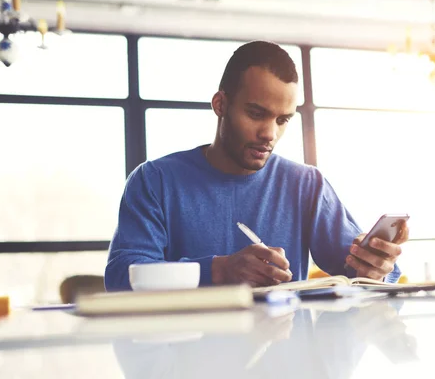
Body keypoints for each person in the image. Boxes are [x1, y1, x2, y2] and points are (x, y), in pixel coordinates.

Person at [105, 40, 408, 291]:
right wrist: (220, 270)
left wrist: (376, 267)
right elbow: (122, 277)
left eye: (282, 119)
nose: (269, 133)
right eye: (256, 113)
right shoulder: (155, 180)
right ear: (220, 104)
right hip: (184, 353)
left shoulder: (306, 184)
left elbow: (360, 273)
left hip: (285, 354)